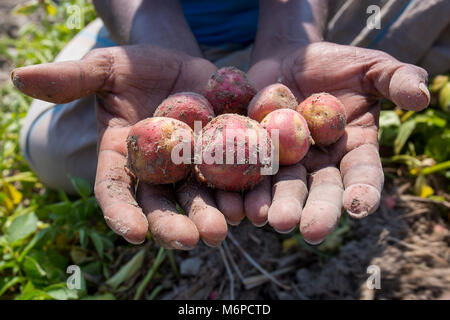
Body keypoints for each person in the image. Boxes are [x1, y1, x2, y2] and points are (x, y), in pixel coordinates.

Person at [12, 0, 449, 249]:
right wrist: (161, 45)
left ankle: (338, 58)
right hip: (154, 32)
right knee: (46, 150)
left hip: (306, 23)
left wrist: (292, 41)